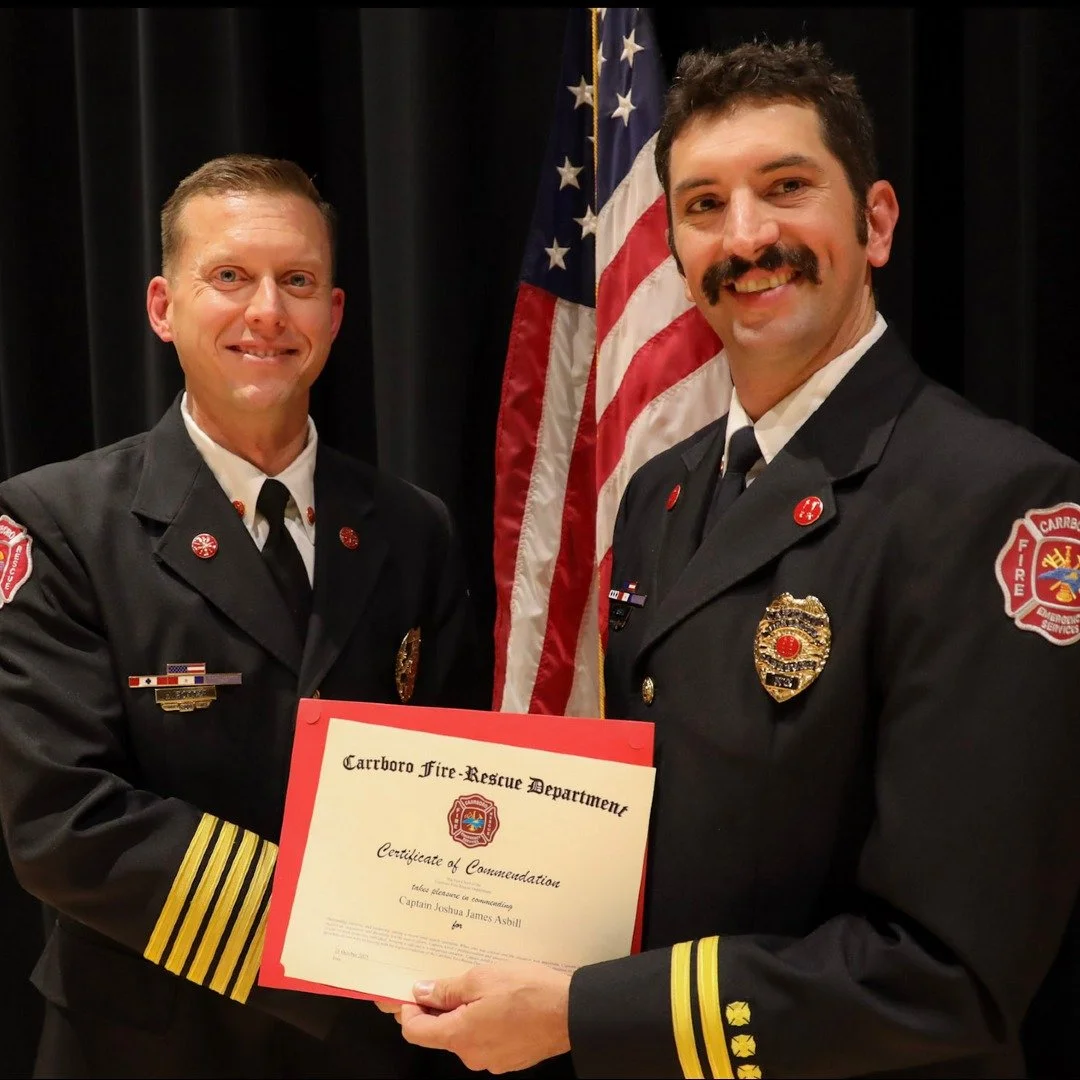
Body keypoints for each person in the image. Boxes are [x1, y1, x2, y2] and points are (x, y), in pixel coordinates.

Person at [381, 40, 1080, 1078]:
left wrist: (587, 1014)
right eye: (704, 205)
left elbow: (949, 975)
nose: (746, 237)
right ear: (672, 246)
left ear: (875, 221)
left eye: (786, 188)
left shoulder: (996, 499)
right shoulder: (664, 491)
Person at [0, 154, 486, 1078]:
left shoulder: (411, 526)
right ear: (162, 307)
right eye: (229, 276)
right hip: (145, 1044)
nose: (267, 311)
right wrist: (328, 935)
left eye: (297, 281)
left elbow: (455, 771)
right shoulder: (55, 523)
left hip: (373, 1050)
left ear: (333, 316)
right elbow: (61, 820)